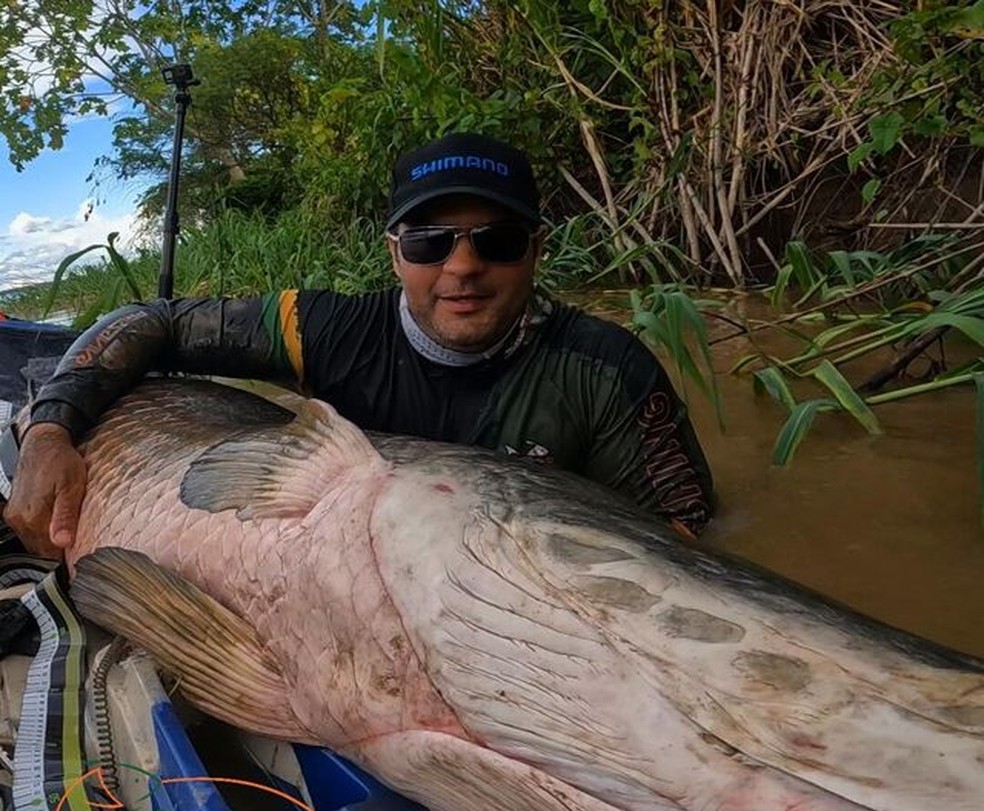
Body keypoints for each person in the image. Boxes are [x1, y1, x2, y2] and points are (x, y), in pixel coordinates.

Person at [4, 132, 714, 559]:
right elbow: (153, 319)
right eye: (430, 243)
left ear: (535, 250)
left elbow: (682, 544)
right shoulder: (328, 330)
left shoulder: (608, 370)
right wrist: (48, 433)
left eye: (495, 242)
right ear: (394, 255)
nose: (462, 268)